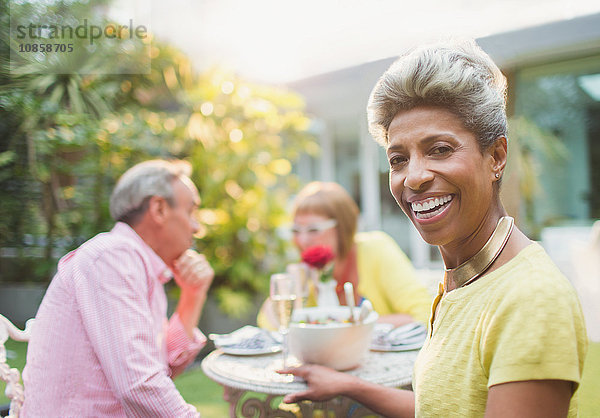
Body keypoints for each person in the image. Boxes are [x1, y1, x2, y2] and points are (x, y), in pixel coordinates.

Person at [281, 40, 588, 417]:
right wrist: (350, 387)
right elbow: (445, 408)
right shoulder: (464, 281)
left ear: (496, 157)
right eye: (398, 159)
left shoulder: (530, 298)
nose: (414, 177)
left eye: (440, 149)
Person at [22, 160, 214, 417]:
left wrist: (193, 294)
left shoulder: (138, 266)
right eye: (191, 212)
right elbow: (140, 385)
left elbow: (161, 369)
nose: (197, 227)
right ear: (158, 208)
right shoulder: (111, 258)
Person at [258, 181, 432, 329]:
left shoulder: (375, 248)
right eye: (296, 230)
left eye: (313, 230)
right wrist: (293, 286)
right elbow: (267, 323)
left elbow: (424, 314)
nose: (302, 240)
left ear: (342, 228)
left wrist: (349, 328)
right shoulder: (308, 271)